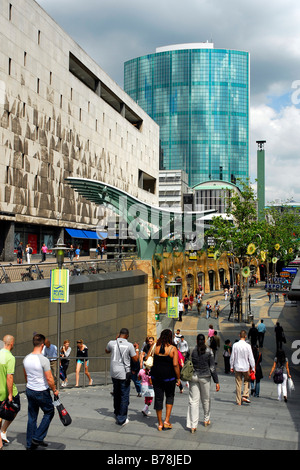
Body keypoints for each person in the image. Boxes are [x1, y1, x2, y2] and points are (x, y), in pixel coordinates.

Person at [23, 334, 59, 450]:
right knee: (49, 412)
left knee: (32, 417)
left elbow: (26, 375)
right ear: (42, 345)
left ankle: (30, 444)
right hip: (41, 391)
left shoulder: (26, 358)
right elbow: (49, 379)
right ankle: (37, 438)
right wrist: (54, 390)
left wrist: (30, 385)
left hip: (30, 389)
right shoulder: (43, 360)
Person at [186, 334, 220, 433]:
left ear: (196, 340)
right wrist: (216, 381)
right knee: (206, 399)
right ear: (204, 340)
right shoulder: (209, 351)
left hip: (193, 377)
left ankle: (193, 425)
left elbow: (186, 361)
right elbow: (212, 368)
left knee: (193, 401)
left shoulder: (191, 350)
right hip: (205, 377)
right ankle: (206, 419)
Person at [149, 329, 181, 431]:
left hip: (156, 376)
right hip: (169, 378)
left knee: (158, 398)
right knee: (170, 396)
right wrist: (178, 378)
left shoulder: (155, 346)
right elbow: (175, 364)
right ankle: (167, 421)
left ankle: (159, 423)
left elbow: (147, 357)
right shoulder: (172, 349)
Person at [105, 328, 139, 426]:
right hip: (124, 373)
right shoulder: (129, 345)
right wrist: (136, 348)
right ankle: (122, 418)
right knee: (124, 395)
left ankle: (116, 412)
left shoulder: (112, 343)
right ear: (127, 335)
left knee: (116, 392)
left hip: (113, 372)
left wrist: (115, 339)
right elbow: (135, 359)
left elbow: (107, 350)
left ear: (119, 334)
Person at [0, 335, 20, 446]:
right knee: (15, 408)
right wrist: (11, 395)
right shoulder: (10, 357)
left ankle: (1, 433)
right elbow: (9, 377)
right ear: (11, 344)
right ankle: (3, 431)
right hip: (7, 391)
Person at [230, 330, 255, 405]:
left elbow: (232, 357)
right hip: (245, 367)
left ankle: (238, 401)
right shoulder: (248, 346)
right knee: (247, 381)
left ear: (239, 335)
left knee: (238, 384)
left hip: (237, 367)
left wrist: (231, 366)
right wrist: (253, 368)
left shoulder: (235, 345)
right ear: (246, 336)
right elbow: (251, 358)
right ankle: (245, 394)